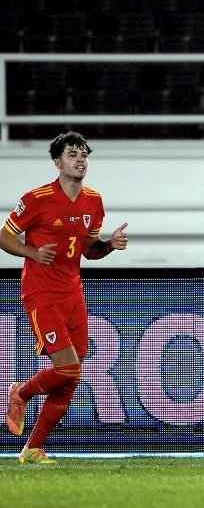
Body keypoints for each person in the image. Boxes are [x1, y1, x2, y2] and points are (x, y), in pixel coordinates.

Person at [0, 131, 128, 465]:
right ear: (57, 163)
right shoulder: (37, 198)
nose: (80, 159)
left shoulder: (93, 201)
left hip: (74, 293)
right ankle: (20, 392)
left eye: (84, 153)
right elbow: (3, 237)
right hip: (41, 293)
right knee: (68, 369)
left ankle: (33, 449)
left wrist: (109, 246)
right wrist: (31, 251)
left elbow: (88, 250)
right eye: (72, 154)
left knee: (71, 377)